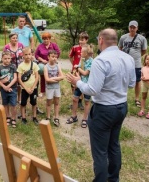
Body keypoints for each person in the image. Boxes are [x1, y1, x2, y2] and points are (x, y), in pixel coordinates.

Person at [66, 28, 136, 182]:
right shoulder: (128, 58)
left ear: (101, 40)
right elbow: (131, 84)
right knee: (114, 145)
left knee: (100, 151)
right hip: (121, 107)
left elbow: (92, 90)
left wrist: (76, 81)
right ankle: (113, 178)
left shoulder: (100, 60)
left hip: (104, 109)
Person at [118, 20, 147, 107]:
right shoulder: (123, 37)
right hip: (124, 63)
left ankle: (137, 98)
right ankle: (122, 96)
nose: (132, 29)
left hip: (136, 63)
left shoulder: (142, 38)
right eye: (131, 27)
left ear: (137, 28)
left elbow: (144, 50)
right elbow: (120, 47)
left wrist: (137, 56)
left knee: (137, 81)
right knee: (122, 79)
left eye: (134, 27)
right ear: (128, 27)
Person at [17, 47, 39, 125]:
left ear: (31, 54)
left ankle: (34, 117)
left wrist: (33, 87)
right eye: (26, 54)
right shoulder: (21, 66)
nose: (28, 56)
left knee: (34, 102)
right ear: (22, 55)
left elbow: (37, 77)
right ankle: (23, 118)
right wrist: (25, 88)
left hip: (34, 88)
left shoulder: (35, 65)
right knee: (23, 103)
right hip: (24, 89)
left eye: (29, 54)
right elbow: (19, 78)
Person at [0, 51, 18, 128]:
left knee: (13, 104)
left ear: (11, 58)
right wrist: (4, 87)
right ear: (2, 58)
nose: (7, 60)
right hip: (3, 89)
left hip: (13, 88)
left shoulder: (13, 67)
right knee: (5, 104)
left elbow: (15, 78)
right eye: (5, 58)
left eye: (8, 58)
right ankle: (7, 117)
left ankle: (13, 118)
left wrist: (8, 86)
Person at [43, 50, 64, 127]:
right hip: (49, 88)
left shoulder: (58, 66)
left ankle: (56, 117)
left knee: (56, 102)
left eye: (55, 57)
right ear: (48, 57)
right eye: (52, 56)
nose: (54, 58)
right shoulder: (46, 67)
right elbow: (47, 79)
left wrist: (53, 78)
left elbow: (62, 77)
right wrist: (57, 78)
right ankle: (48, 117)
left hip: (57, 87)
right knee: (49, 103)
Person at [69, 31, 89, 110]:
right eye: (80, 40)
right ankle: (74, 101)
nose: (81, 41)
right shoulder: (75, 47)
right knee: (74, 85)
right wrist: (74, 65)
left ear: (86, 40)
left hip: (84, 71)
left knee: (82, 85)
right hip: (75, 70)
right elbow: (70, 57)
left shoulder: (88, 48)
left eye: (83, 40)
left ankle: (80, 101)